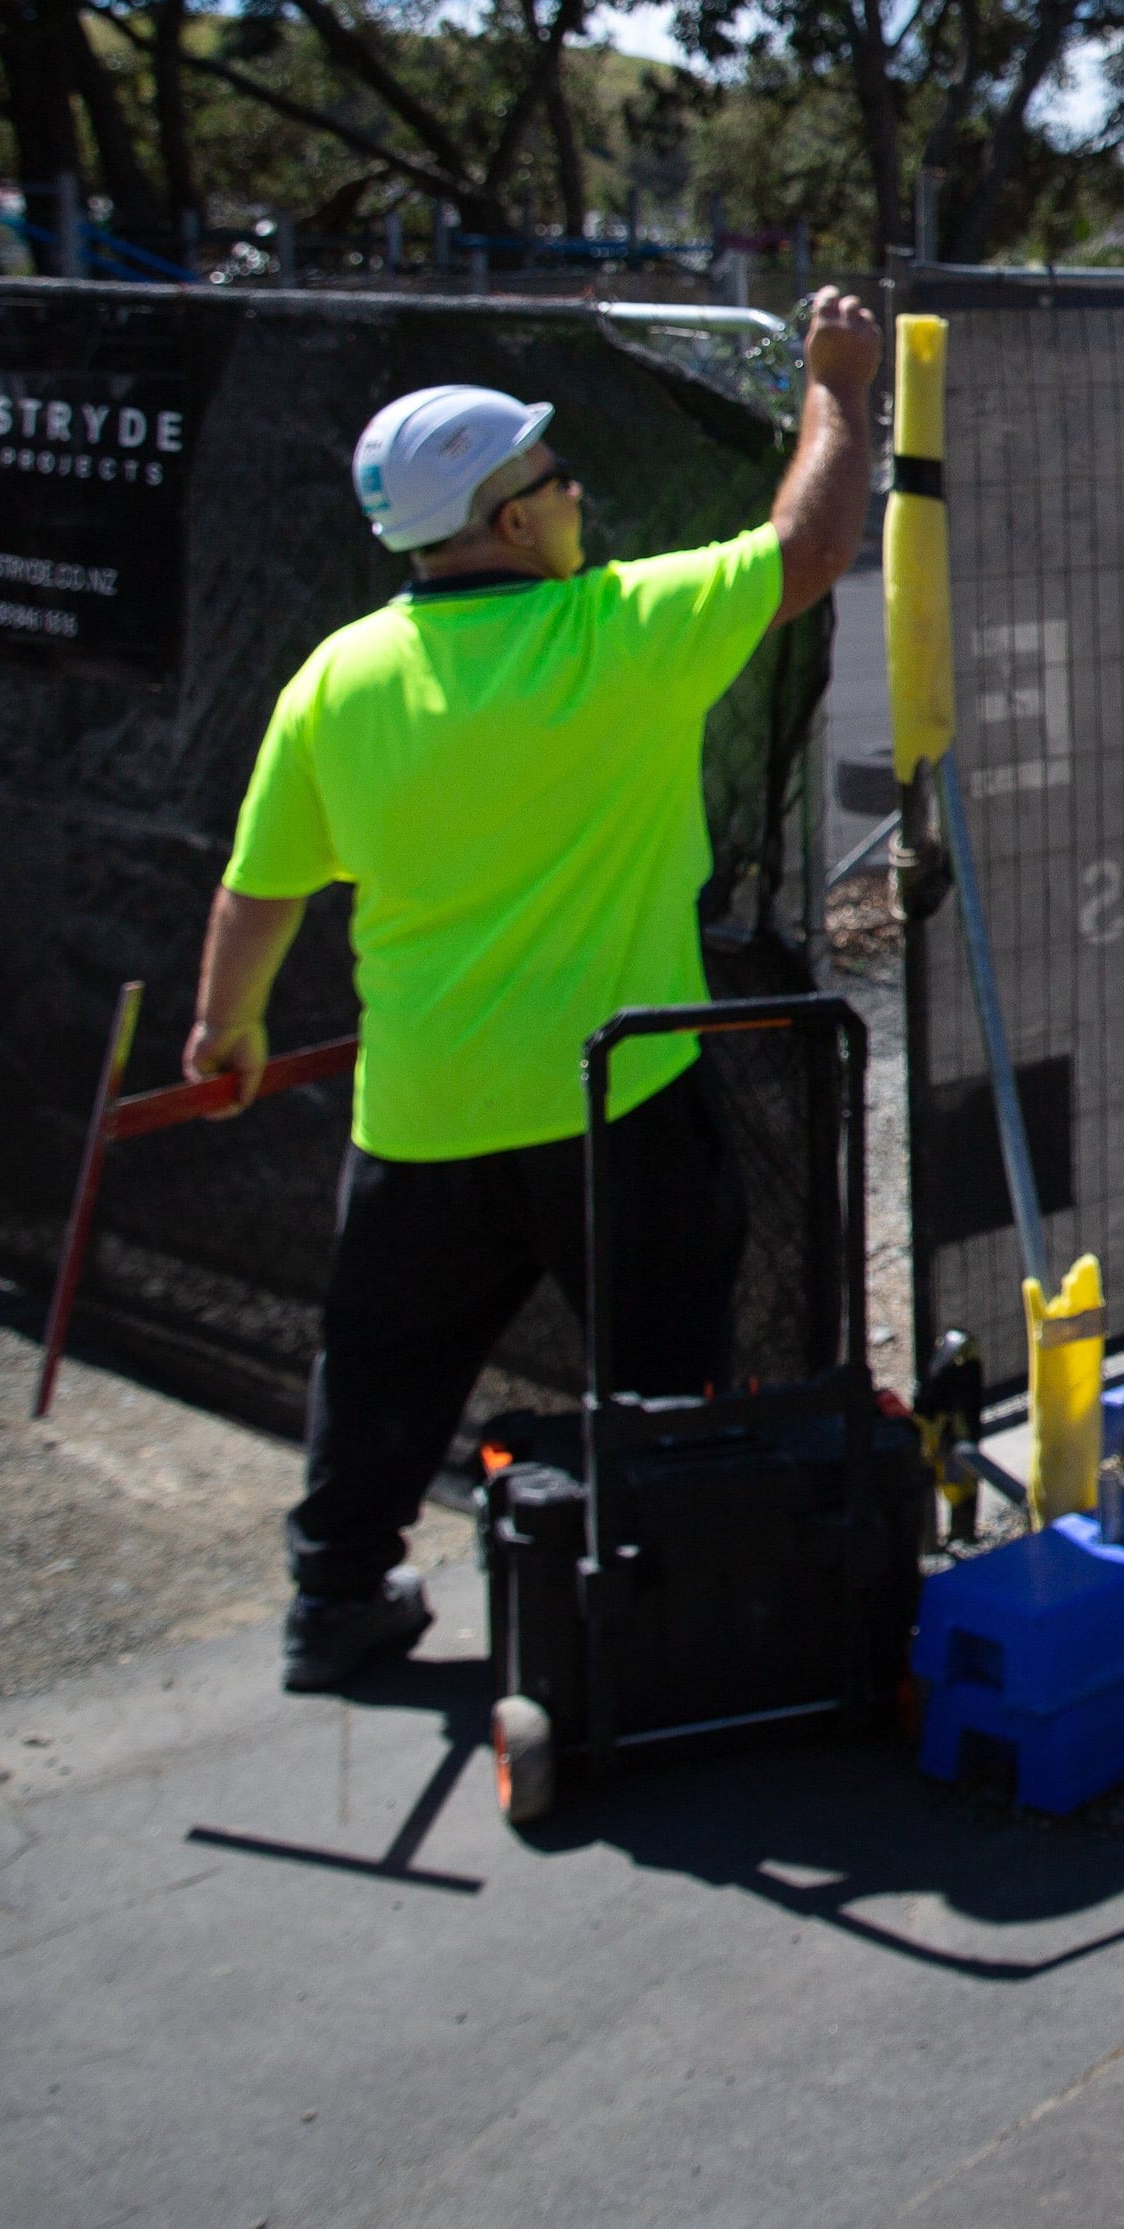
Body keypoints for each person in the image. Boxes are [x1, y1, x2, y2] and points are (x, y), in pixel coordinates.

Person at [188, 290, 881, 1692]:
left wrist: (227, 1024)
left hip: (424, 1105)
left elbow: (261, 886)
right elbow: (808, 548)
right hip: (613, 1096)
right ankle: (675, 1603)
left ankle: (336, 1597)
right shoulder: (614, 633)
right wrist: (839, 386)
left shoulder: (339, 679)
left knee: (381, 1366)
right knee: (664, 1372)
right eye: (557, 480)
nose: (576, 496)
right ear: (512, 522)